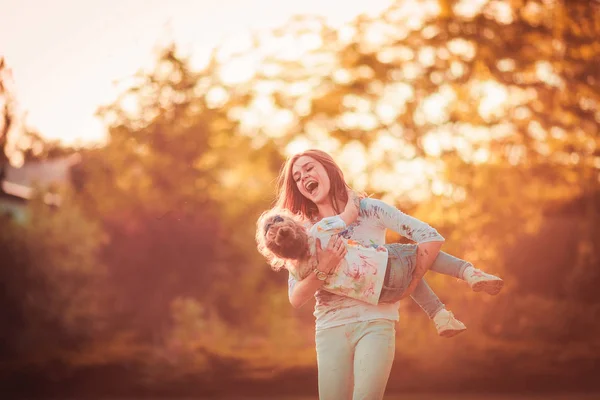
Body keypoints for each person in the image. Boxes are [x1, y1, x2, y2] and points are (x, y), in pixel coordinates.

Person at [267, 149, 502, 400]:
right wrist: (324, 268)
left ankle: (466, 276)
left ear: (328, 168)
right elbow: (296, 296)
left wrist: (409, 284)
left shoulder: (370, 209)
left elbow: (428, 239)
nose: (304, 177)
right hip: (330, 327)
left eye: (309, 168)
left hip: (376, 322)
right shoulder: (302, 231)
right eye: (297, 176)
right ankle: (459, 285)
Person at [256, 187, 503, 336]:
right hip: (383, 264)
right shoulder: (320, 229)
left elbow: (297, 299)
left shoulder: (298, 273)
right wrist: (353, 196)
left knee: (410, 273)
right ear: (297, 226)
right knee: (418, 258)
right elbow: (351, 214)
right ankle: (469, 272)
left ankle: (441, 317)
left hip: (378, 295)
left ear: (278, 255)